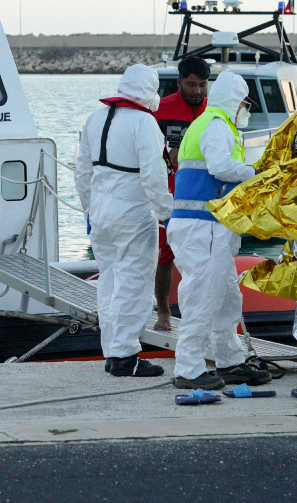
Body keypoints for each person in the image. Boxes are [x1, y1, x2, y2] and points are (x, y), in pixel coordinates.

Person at [166, 71, 272, 390]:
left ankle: (230, 361)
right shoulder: (216, 125)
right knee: (202, 296)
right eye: (244, 103)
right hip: (204, 228)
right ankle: (189, 368)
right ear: (234, 101)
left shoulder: (210, 123)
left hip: (208, 227)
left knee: (226, 298)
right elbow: (220, 167)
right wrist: (256, 172)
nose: (245, 109)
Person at [74, 64, 174, 378]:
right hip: (133, 213)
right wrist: (167, 214)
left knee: (109, 283)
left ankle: (113, 352)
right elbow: (154, 175)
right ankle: (126, 355)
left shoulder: (94, 118)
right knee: (134, 284)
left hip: (100, 213)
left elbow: (82, 172)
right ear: (150, 92)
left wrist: (89, 209)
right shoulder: (144, 122)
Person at [151, 55, 209, 330]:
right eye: (191, 84)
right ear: (179, 82)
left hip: (204, 197)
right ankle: (164, 312)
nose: (197, 90)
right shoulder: (160, 110)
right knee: (166, 255)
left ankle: (197, 316)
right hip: (168, 196)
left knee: (202, 257)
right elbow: (147, 152)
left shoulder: (213, 112)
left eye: (202, 84)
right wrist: (166, 159)